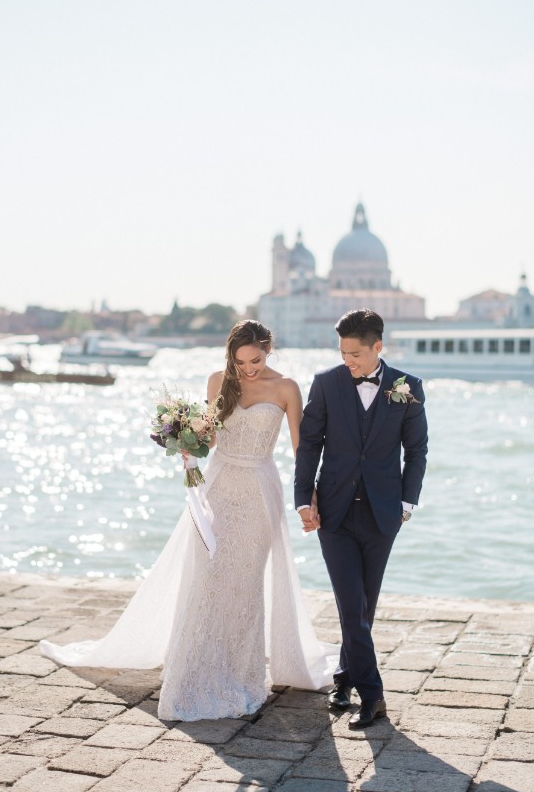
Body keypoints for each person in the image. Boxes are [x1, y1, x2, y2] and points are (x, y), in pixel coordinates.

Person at [41, 319, 334, 721]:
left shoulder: (286, 389)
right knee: (208, 577)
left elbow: (302, 449)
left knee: (245, 583)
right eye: (240, 361)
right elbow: (211, 437)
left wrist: (310, 498)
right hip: (216, 487)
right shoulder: (218, 381)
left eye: (255, 360)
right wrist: (185, 441)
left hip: (259, 492)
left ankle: (240, 673)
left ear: (269, 350)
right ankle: (195, 669)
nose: (248, 369)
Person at [294, 308, 428, 729]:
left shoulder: (408, 387)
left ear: (377, 347)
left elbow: (417, 451)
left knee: (363, 606)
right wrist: (302, 499)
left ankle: (344, 678)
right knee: (352, 606)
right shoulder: (327, 383)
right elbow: (309, 444)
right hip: (332, 511)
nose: (347, 360)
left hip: (384, 513)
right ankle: (374, 697)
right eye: (342, 352)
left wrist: (408, 503)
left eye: (355, 353)